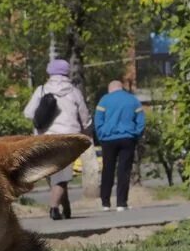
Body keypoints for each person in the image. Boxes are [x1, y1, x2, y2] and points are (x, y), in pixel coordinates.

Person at [24, 59, 91, 220]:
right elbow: (85, 117)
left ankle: (65, 207)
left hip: (45, 140)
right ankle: (55, 208)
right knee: (62, 175)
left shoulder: (41, 90)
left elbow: (28, 113)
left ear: (49, 72)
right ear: (67, 72)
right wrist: (86, 132)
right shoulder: (74, 92)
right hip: (68, 139)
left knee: (57, 175)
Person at [94, 80, 145, 211]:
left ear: (110, 89)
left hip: (108, 139)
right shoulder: (133, 100)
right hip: (128, 138)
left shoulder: (104, 100)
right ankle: (121, 203)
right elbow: (141, 120)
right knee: (124, 171)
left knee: (108, 170)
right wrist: (136, 134)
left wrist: (101, 134)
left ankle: (105, 203)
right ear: (121, 88)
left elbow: (98, 119)